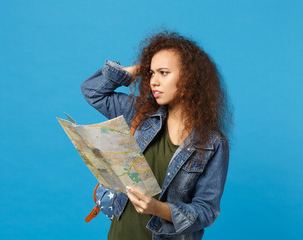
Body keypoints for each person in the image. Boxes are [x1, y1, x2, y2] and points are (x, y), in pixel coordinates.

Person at [80, 30, 232, 240]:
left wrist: (157, 208)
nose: (153, 81)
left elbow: (206, 210)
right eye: (151, 73)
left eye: (164, 73)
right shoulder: (140, 113)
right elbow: (92, 91)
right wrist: (139, 68)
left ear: (190, 77)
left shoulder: (213, 143)